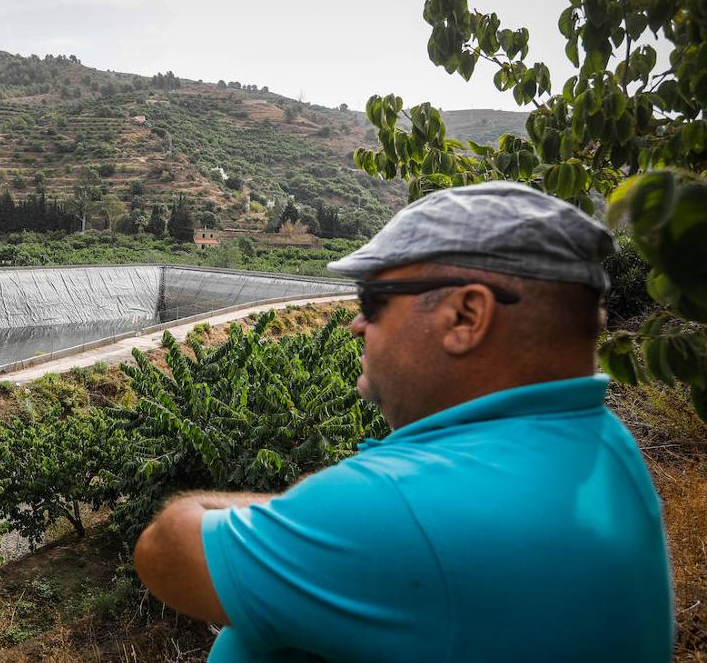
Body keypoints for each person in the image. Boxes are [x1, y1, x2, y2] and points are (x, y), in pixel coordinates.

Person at [133, 181, 674, 662]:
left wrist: (289, 514)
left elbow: (166, 548)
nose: (355, 323)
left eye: (374, 299)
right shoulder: (605, 447)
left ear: (466, 316)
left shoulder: (402, 506)